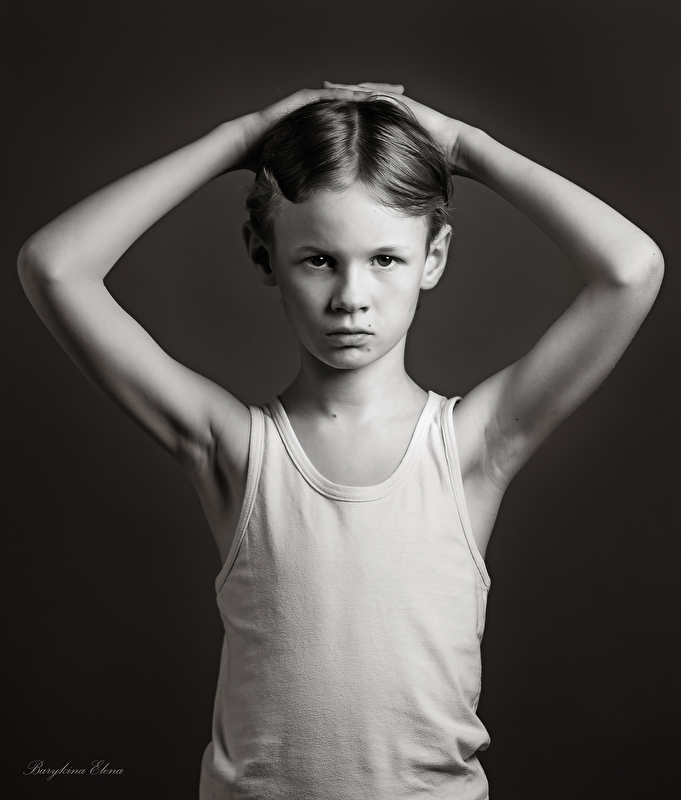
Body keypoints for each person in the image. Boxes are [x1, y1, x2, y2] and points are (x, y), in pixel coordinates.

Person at [17, 81, 663, 799]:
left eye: (384, 259)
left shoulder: (471, 448)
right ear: (264, 256)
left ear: (433, 258)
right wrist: (242, 138)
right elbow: (55, 267)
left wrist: (463, 144)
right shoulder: (233, 451)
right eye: (319, 259)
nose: (351, 297)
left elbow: (631, 270)